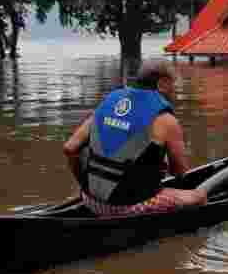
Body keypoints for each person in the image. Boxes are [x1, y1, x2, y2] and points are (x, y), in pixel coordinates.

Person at [62, 60, 206, 216]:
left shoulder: (110, 101)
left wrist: (85, 186)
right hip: (128, 207)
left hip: (90, 200)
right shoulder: (165, 120)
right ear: (162, 83)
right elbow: (179, 173)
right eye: (173, 85)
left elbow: (70, 148)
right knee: (199, 196)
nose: (174, 91)